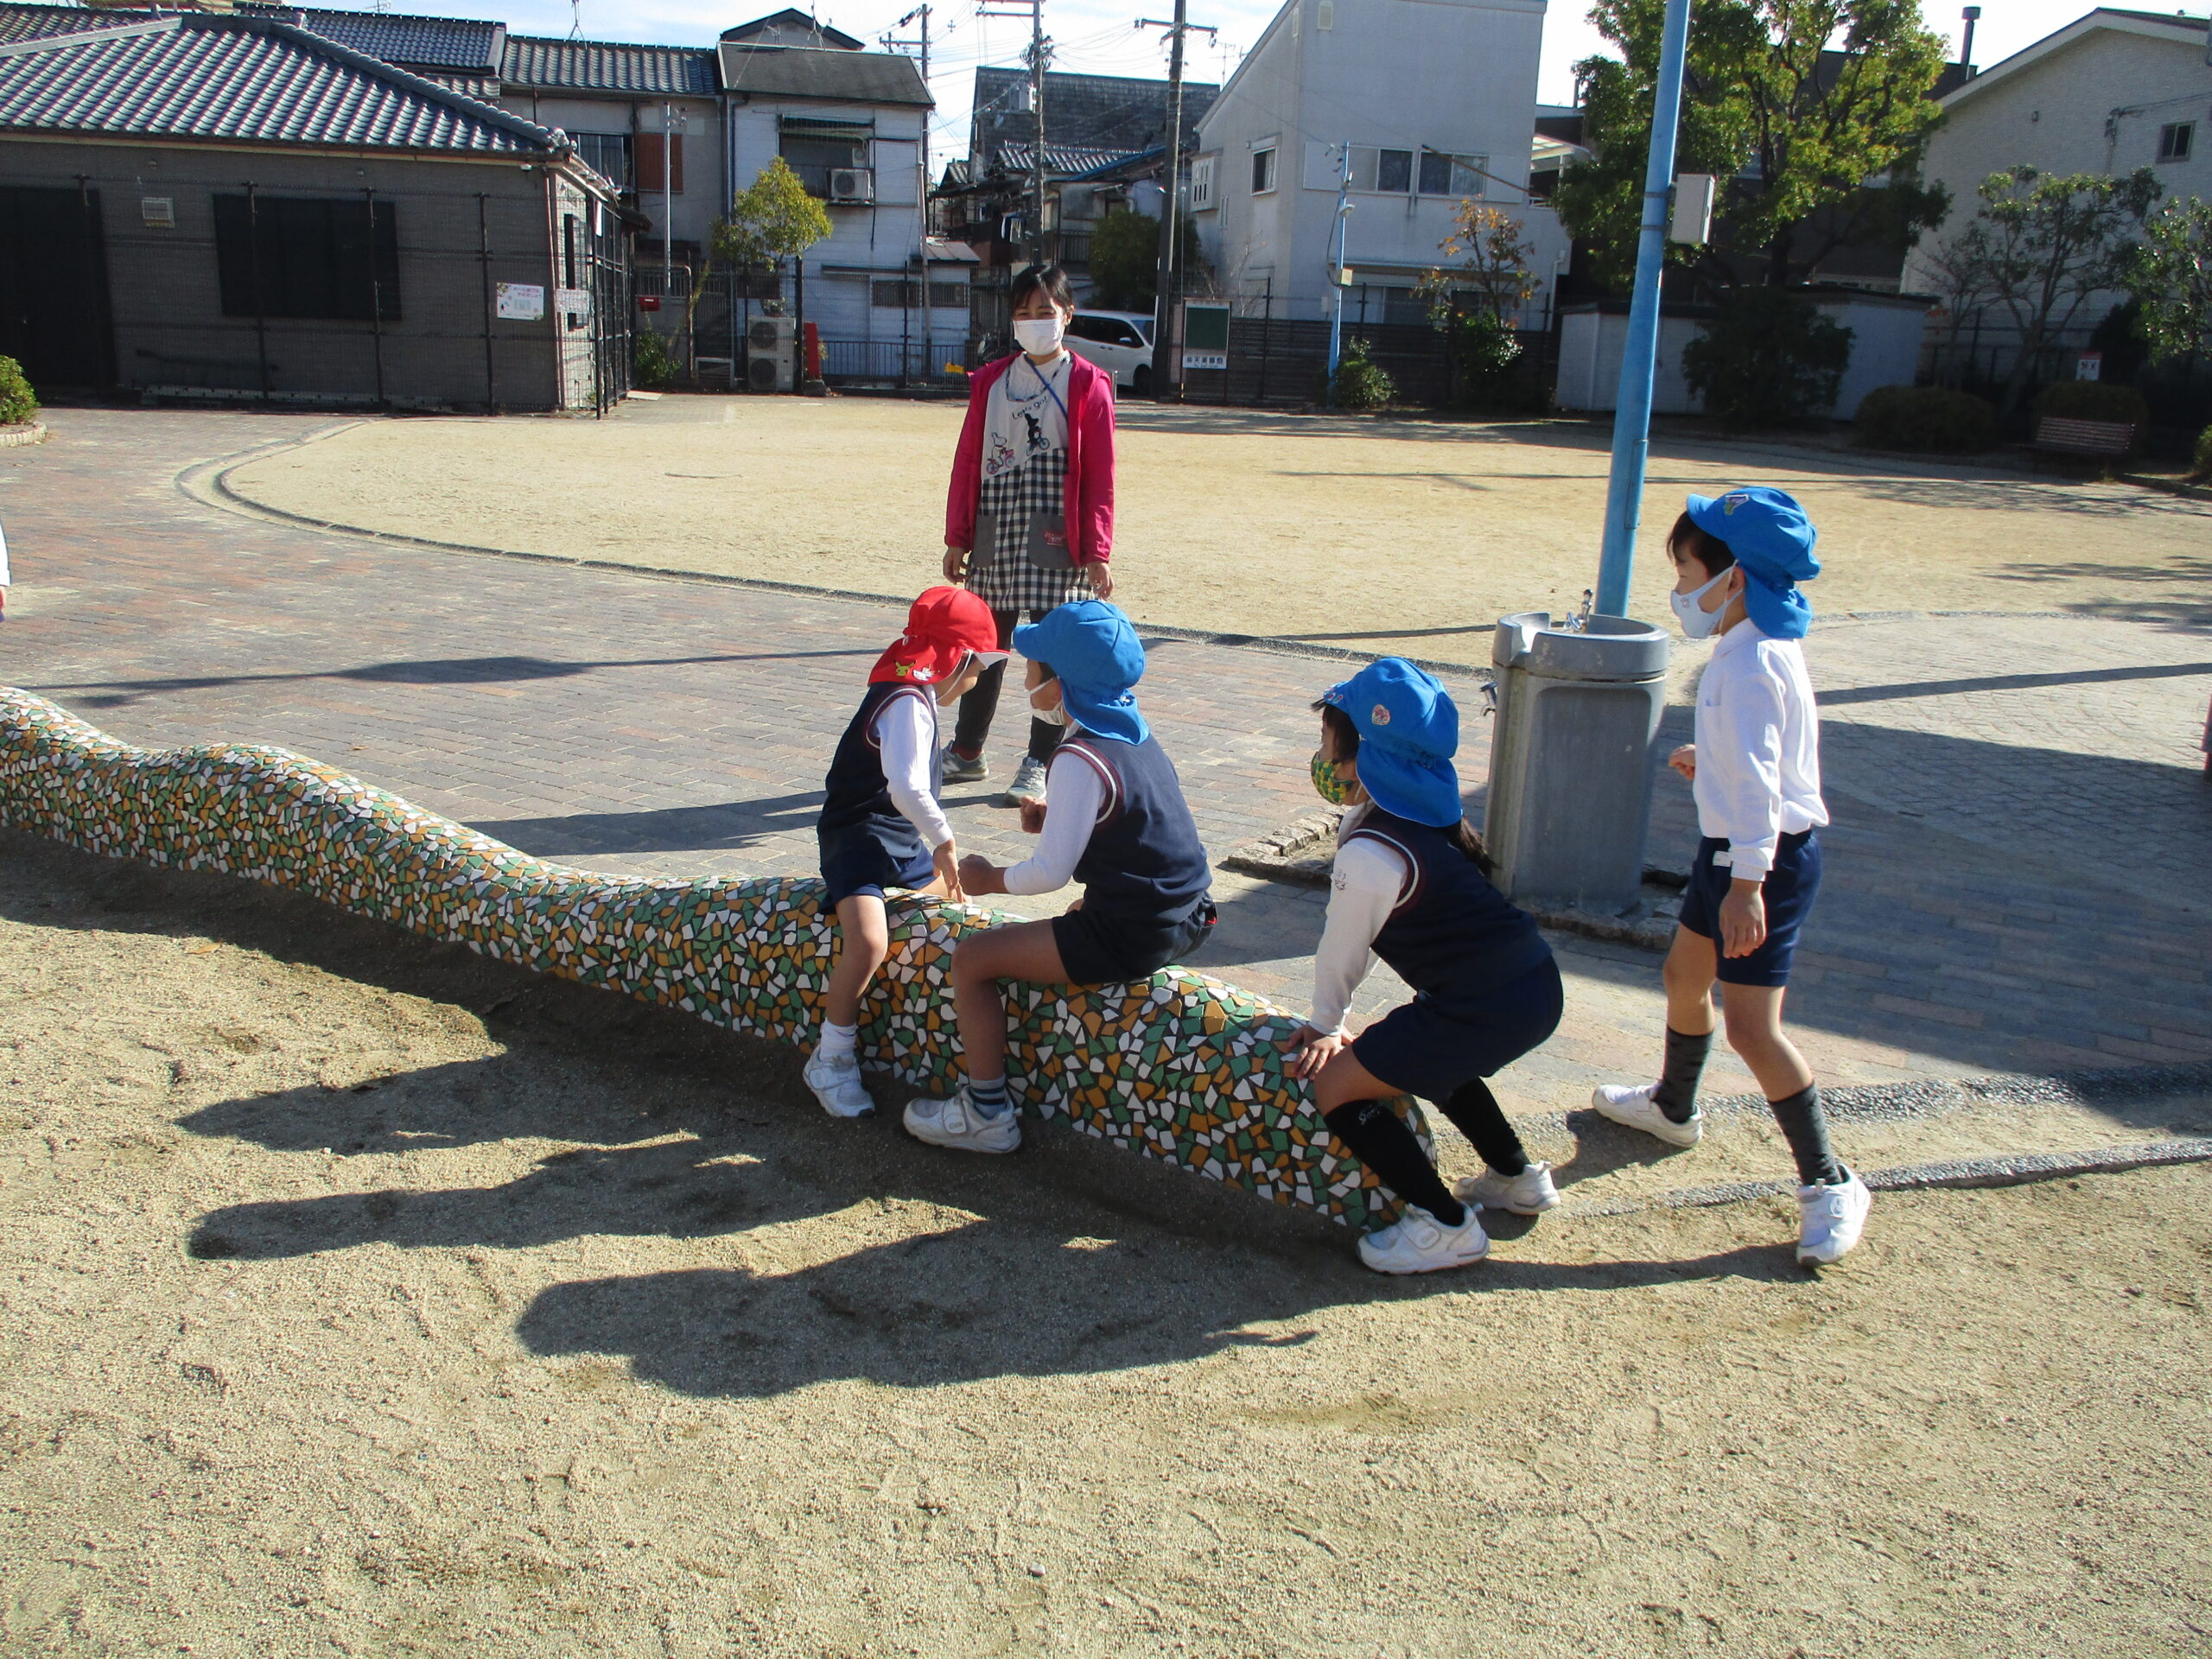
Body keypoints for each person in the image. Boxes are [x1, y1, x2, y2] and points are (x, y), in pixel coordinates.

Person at [1592, 486, 1871, 1267]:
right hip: (1733, 853)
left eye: (1686, 571)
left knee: (1753, 1028)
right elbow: (1756, 760)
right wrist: (1706, 762)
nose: (1680, 587)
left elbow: (1762, 785)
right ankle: (1673, 1106)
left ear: (1734, 577)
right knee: (1685, 978)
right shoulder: (1752, 645)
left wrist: (1748, 886)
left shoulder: (1750, 662)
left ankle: (1831, 1181)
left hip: (1762, 865)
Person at [902, 600, 1213, 1154]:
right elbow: (1137, 823)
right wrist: (1057, 818)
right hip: (1191, 913)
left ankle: (986, 1113)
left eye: (1034, 667)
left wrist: (987, 877)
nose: (1027, 679)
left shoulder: (1077, 755)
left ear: (1060, 683)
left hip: (1136, 932)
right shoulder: (1134, 733)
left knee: (971, 960)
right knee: (1074, 916)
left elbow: (1049, 874)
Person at [1286, 658, 1564, 1274]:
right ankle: (1516, 1176)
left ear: (1361, 756)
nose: (1323, 756)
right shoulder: (1425, 815)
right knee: (1426, 1055)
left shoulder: (1373, 851)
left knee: (1337, 1088)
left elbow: (1343, 947)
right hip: (1531, 986)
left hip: (1485, 1008)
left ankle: (1444, 1225)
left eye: (1328, 741)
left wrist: (1326, 1024)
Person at [804, 586, 1005, 1119]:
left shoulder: (915, 694)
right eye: (978, 668)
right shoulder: (907, 703)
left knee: (956, 893)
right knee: (869, 941)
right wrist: (944, 840)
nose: (977, 679)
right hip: (856, 837)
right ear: (956, 658)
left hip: (895, 836)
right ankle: (831, 1057)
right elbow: (907, 788)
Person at [940, 264, 1118, 810]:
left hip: (1057, 532)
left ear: (1067, 315)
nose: (1034, 321)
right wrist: (957, 535)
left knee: (1050, 649)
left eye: (1046, 311)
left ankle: (1041, 759)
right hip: (996, 524)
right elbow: (968, 459)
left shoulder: (1088, 382)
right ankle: (967, 750)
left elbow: (1100, 474)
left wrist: (1098, 550)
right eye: (1024, 312)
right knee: (983, 645)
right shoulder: (992, 381)